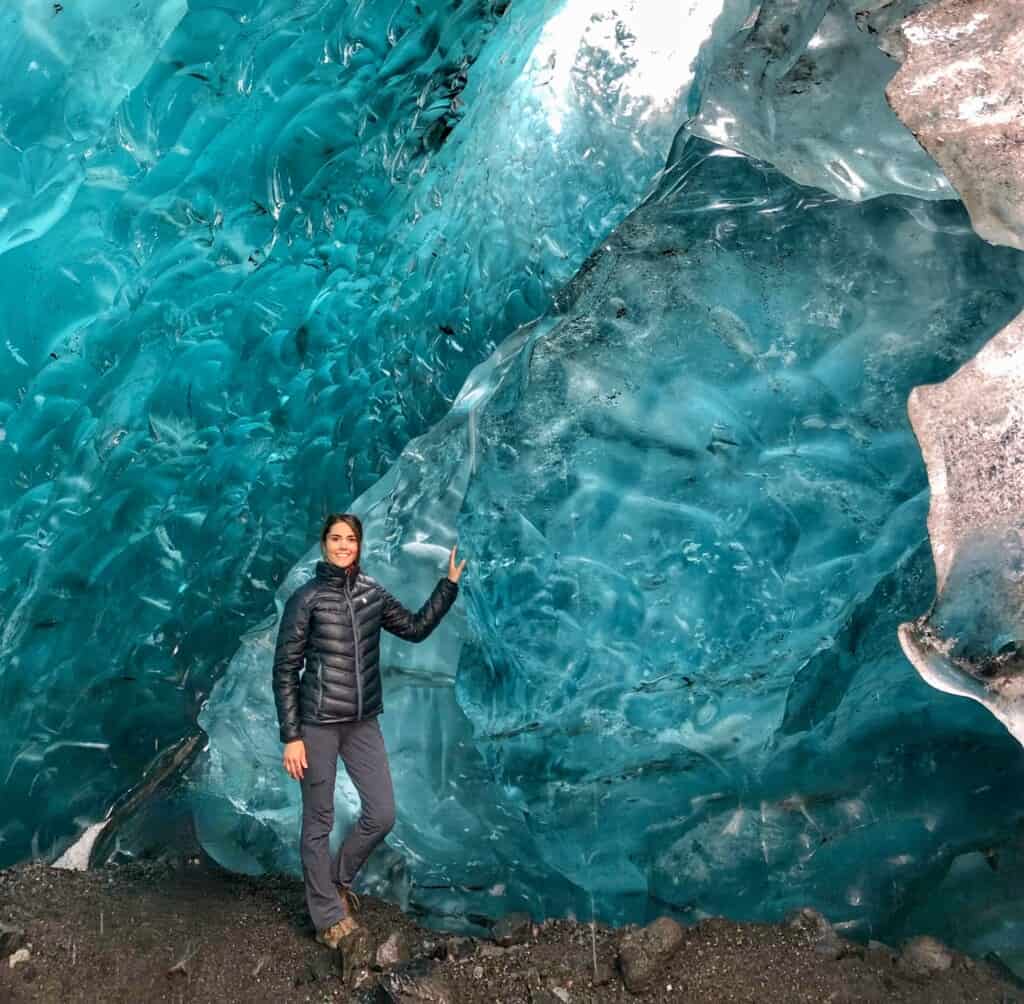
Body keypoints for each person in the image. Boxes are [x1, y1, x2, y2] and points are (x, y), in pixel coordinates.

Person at [272, 512, 466, 949]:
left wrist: (447, 585)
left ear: (359, 545)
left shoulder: (371, 594)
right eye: (336, 538)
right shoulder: (306, 599)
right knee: (318, 820)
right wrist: (291, 736)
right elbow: (285, 669)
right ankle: (326, 917)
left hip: (362, 722)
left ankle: (337, 880)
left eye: (351, 539)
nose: (343, 545)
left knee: (382, 813)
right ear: (324, 544)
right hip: (317, 724)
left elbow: (415, 629)